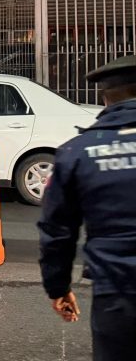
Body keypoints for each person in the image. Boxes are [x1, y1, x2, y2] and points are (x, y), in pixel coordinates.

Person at [38, 54, 136, 361]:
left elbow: (57, 232)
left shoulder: (76, 153)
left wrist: (58, 287)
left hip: (117, 294)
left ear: (104, 97)